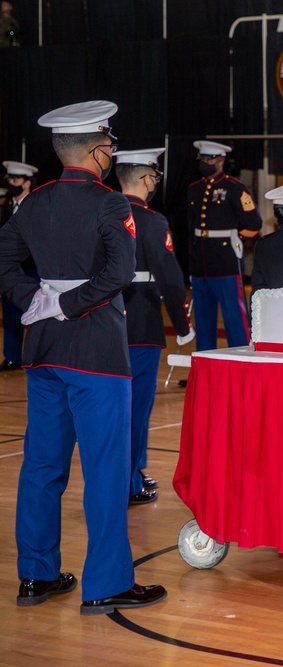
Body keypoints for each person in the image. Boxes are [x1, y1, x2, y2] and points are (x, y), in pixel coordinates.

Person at [0, 100, 166, 614]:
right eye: (110, 146)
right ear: (96, 151)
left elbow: (4, 261)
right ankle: (107, 582)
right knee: (106, 468)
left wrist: (36, 300)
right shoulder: (111, 204)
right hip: (94, 347)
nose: (112, 154)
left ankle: (36, 576)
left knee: (42, 466)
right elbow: (120, 273)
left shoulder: (34, 203)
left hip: (44, 347)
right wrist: (69, 304)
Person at [115, 148, 194, 506]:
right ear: (147, 179)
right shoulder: (151, 221)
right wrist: (182, 326)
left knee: (110, 408)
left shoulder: (102, 211)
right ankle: (129, 483)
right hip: (142, 322)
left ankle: (130, 472)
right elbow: (170, 280)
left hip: (102, 320)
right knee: (136, 408)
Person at [186, 140, 261, 351]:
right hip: (201, 263)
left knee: (233, 317)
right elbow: (191, 229)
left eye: (209, 159)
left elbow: (254, 224)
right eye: (202, 159)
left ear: (220, 161)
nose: (205, 163)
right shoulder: (194, 189)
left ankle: (239, 360)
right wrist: (191, 264)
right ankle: (205, 361)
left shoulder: (234, 188)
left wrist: (237, 239)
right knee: (203, 319)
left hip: (225, 261)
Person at [0, 160, 37, 371]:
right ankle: (13, 357)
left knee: (36, 315)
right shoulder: (5, 209)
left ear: (27, 183)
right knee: (10, 315)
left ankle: (35, 358)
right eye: (10, 180)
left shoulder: (36, 208)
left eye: (16, 180)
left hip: (33, 270)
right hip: (10, 273)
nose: (12, 184)